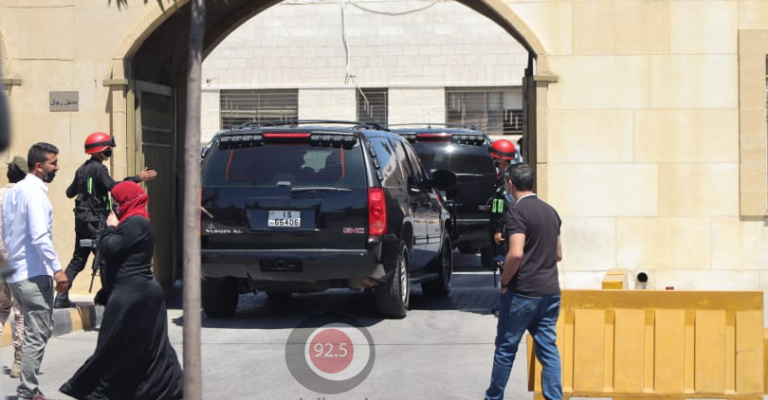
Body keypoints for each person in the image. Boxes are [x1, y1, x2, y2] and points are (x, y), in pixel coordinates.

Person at [60, 181, 182, 400]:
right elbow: (120, 261)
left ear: (127, 201)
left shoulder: (136, 223)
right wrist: (106, 292)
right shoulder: (133, 221)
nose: (113, 207)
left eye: (116, 202)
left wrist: (109, 228)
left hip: (135, 297)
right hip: (132, 293)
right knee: (135, 347)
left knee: (114, 347)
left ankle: (100, 393)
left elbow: (110, 247)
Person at [484, 163, 562, 400]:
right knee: (548, 350)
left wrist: (505, 281)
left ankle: (493, 397)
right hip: (550, 291)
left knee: (506, 349)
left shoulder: (517, 212)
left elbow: (516, 253)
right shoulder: (551, 212)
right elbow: (558, 254)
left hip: (522, 292)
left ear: (510, 184)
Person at [55, 132, 157, 308]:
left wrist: (86, 188)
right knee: (105, 259)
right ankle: (109, 299)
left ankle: (61, 297)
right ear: (100, 150)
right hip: (97, 221)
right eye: (108, 149)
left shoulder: (82, 169)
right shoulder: (100, 169)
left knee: (78, 259)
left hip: (81, 221)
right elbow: (114, 187)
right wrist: (137, 179)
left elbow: (69, 192)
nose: (109, 152)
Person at [3, 143, 69, 400]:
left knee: (36, 329)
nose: (57, 167)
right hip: (33, 272)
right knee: (37, 332)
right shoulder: (35, 194)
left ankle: (29, 388)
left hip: (17, 272)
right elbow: (40, 236)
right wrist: (58, 269)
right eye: (53, 163)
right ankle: (27, 391)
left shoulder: (15, 192)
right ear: (39, 166)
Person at [0, 156, 29, 378]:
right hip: (17, 262)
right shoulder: (25, 198)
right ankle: (18, 361)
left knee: (1, 309)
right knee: (21, 311)